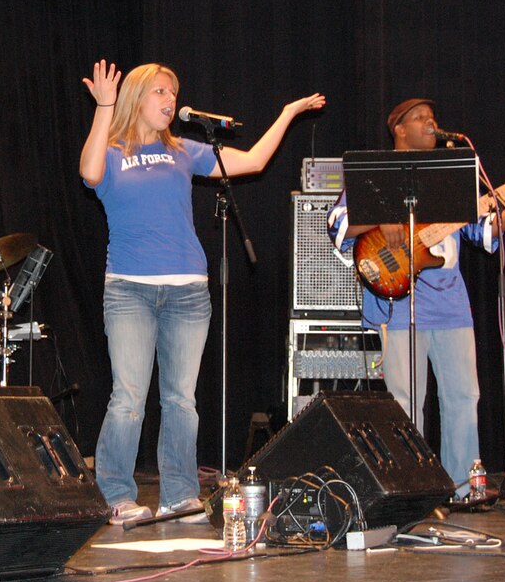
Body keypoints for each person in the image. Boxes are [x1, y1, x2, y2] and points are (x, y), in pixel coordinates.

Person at [80, 59, 325, 524]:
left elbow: (253, 161)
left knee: (181, 399)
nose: (170, 100)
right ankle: (117, 494)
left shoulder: (183, 151)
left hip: (188, 292)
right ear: (136, 97)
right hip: (130, 290)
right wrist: (105, 108)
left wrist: (288, 113)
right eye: (160, 91)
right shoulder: (111, 150)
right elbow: (89, 174)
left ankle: (179, 494)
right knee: (129, 398)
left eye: (173, 92)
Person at [326, 98, 505, 497]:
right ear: (399, 129)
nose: (431, 122)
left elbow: (484, 235)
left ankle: (463, 486)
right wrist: (379, 217)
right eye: (420, 117)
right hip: (396, 301)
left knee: (463, 396)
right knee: (404, 400)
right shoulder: (376, 174)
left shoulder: (450, 175)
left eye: (433, 117)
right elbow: (337, 225)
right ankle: (410, 488)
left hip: (451, 303)